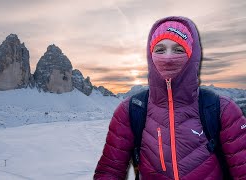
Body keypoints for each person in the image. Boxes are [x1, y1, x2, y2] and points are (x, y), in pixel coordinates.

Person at [94, 16, 246, 179]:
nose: (168, 58)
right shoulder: (131, 110)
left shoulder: (222, 110)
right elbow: (109, 170)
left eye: (178, 50)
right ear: (150, 56)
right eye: (160, 50)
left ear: (192, 56)